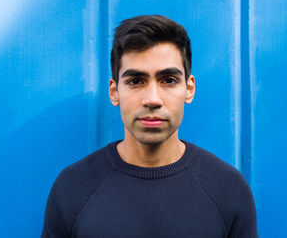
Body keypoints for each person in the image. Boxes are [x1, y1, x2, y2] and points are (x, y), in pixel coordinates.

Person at [41, 15, 258, 238]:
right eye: (135, 81)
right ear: (114, 91)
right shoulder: (73, 189)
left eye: (168, 80)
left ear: (189, 89)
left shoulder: (227, 189)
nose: (152, 99)